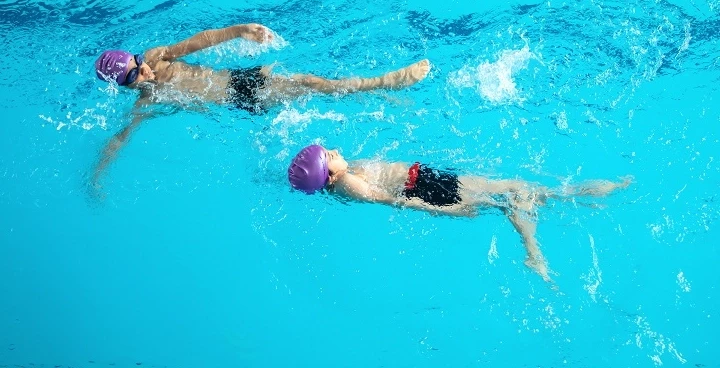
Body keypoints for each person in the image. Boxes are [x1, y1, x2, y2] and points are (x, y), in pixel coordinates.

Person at [91, 23, 430, 189]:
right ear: (124, 85)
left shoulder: (156, 56)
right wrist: (98, 172)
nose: (143, 70)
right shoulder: (148, 100)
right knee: (311, 86)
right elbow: (122, 136)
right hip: (241, 101)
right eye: (133, 74)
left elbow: (198, 42)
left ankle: (378, 88)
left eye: (137, 61)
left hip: (240, 79)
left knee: (311, 84)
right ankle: (380, 87)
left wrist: (240, 30)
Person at [287, 145, 632, 283]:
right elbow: (393, 201)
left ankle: (572, 200)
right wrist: (446, 210)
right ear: (328, 176)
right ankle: (534, 250)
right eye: (328, 155)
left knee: (517, 194)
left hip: (426, 182)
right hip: (430, 189)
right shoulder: (348, 183)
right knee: (516, 190)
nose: (334, 150)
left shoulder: (342, 178)